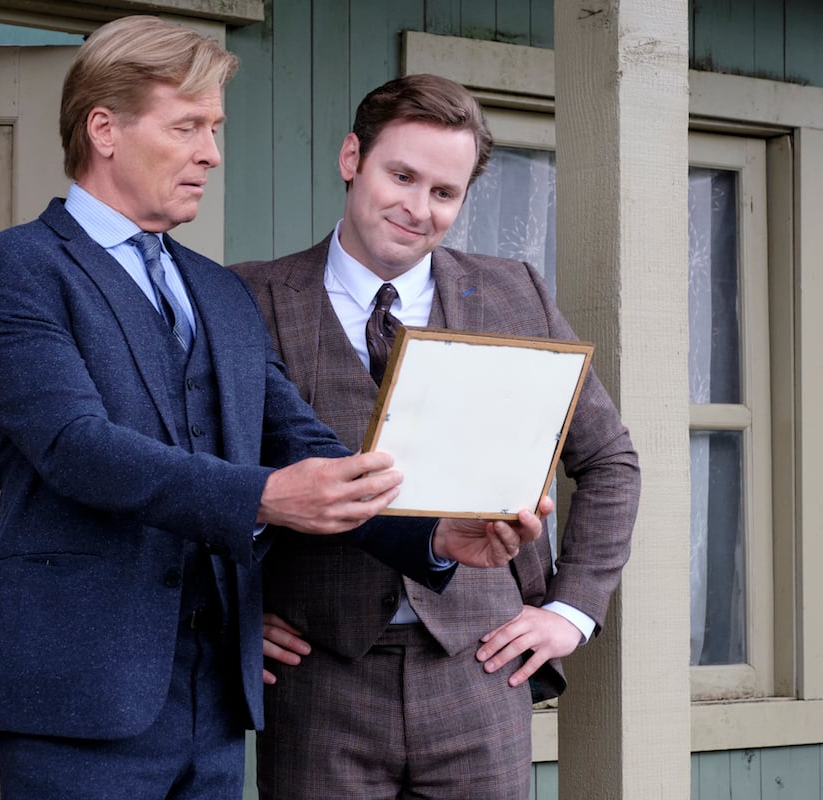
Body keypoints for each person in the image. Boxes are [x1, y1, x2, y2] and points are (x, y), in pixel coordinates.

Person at [0, 19, 540, 800]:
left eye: (217, 129)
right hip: (79, 696)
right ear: (105, 130)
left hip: (221, 704)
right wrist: (262, 497)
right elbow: (74, 446)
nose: (211, 154)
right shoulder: (10, 270)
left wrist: (432, 533)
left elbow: (305, 444)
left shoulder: (219, 292)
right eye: (187, 126)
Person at [231, 73, 641, 800]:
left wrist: (571, 611)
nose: (418, 209)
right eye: (402, 176)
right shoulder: (247, 298)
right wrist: (229, 611)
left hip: (481, 670)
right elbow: (200, 471)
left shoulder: (517, 292)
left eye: (444, 193)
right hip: (317, 679)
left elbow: (608, 459)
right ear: (352, 157)